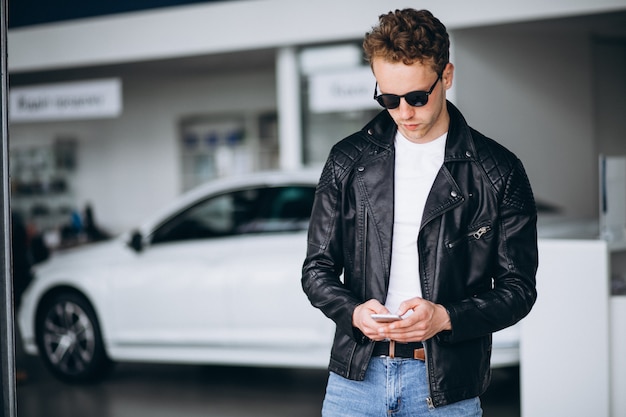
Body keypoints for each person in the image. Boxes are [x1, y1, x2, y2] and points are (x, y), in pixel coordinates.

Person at [301, 8, 538, 416]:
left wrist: (445, 317)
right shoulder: (347, 160)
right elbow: (316, 270)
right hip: (354, 384)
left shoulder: (498, 170)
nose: (403, 113)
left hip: (445, 390)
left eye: (416, 97)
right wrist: (354, 312)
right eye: (388, 99)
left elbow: (518, 289)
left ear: (446, 76)